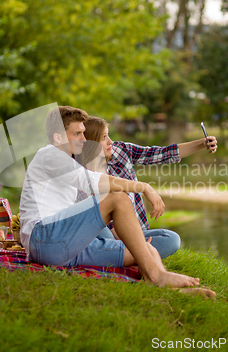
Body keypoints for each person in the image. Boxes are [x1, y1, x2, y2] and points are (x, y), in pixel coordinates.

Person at [19, 106, 202, 289]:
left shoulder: (71, 162)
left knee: (147, 250)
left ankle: (166, 286)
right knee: (118, 198)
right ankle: (156, 276)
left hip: (67, 249)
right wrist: (144, 187)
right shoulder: (50, 155)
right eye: (77, 134)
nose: (84, 139)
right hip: (45, 239)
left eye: (84, 133)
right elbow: (90, 181)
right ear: (58, 137)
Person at [76, 116, 217, 259]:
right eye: (104, 137)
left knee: (171, 239)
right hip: (105, 236)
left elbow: (161, 154)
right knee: (102, 233)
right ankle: (138, 255)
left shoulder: (120, 151)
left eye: (108, 135)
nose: (110, 142)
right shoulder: (79, 172)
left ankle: (129, 255)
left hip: (135, 234)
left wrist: (203, 143)